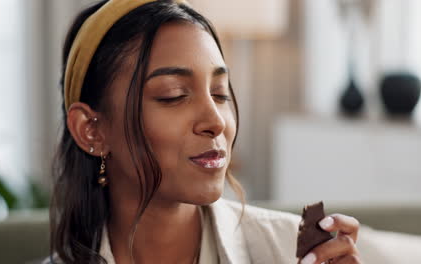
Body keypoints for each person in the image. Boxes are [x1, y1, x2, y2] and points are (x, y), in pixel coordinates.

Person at [48, 0, 361, 263]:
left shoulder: (295, 253)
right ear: (92, 130)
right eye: (173, 95)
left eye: (220, 93)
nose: (216, 121)